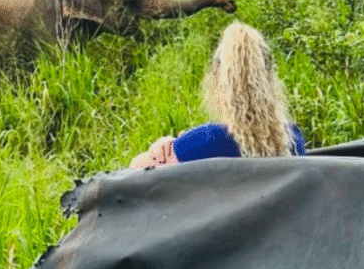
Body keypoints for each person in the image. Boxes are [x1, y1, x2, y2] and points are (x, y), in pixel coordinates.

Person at [130, 21, 306, 168]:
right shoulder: (293, 140)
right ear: (270, 81)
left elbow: (133, 171)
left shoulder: (207, 140)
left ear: (218, 82)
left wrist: (168, 144)